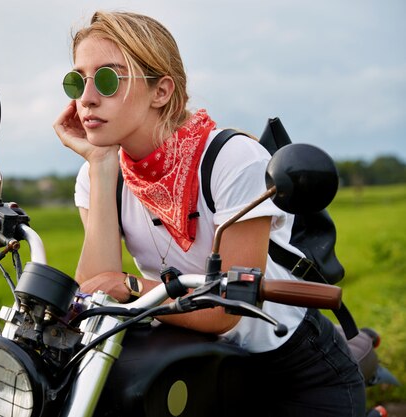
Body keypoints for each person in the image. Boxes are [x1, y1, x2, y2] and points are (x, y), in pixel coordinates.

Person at [53, 10, 365, 417]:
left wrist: (131, 286)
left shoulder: (230, 160)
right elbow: (95, 294)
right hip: (199, 361)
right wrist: (99, 162)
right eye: (77, 81)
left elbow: (224, 310)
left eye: (109, 79)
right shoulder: (98, 177)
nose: (87, 98)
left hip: (293, 367)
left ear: (161, 90)